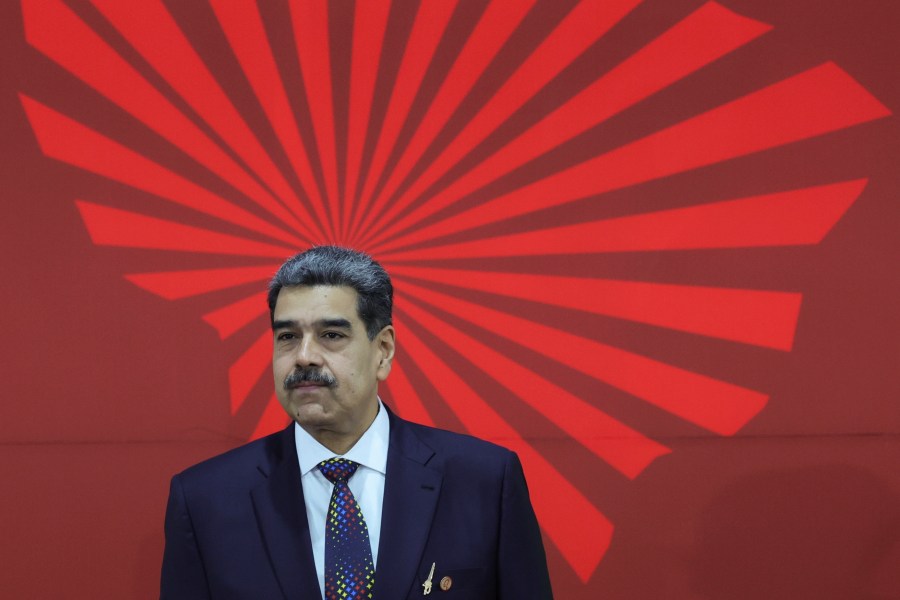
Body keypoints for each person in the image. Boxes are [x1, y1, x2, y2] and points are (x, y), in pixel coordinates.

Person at [160, 246, 553, 599]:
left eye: (331, 334)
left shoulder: (483, 481)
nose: (304, 357)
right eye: (287, 337)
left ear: (382, 351)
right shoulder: (204, 500)